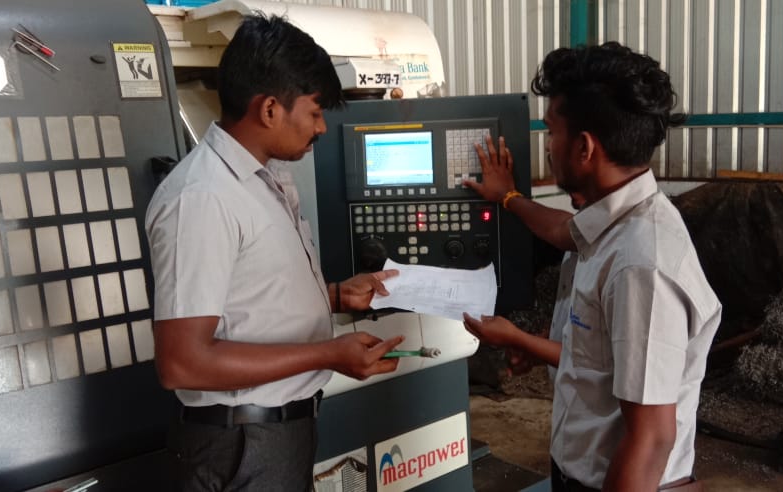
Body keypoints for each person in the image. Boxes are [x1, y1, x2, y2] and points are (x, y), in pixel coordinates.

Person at [144, 14, 405, 491]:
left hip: (276, 434)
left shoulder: (263, 181)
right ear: (269, 109)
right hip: (240, 444)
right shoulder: (202, 198)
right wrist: (326, 353)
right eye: (315, 112)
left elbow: (246, 298)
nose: (321, 127)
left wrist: (334, 295)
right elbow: (183, 362)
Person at [462, 42, 721, 492]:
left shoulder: (641, 265)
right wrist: (507, 197)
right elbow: (563, 232)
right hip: (575, 471)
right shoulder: (613, 223)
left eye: (551, 131)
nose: (547, 147)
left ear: (583, 147)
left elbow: (652, 439)